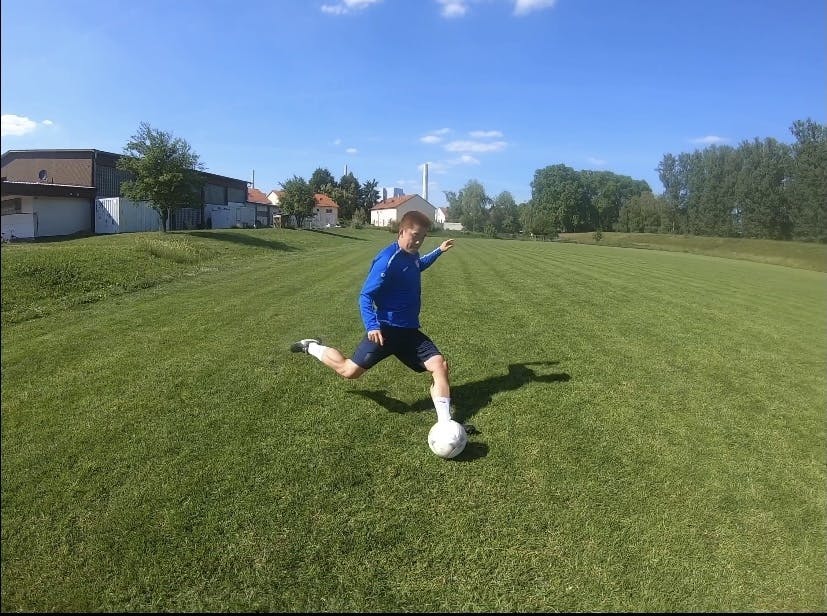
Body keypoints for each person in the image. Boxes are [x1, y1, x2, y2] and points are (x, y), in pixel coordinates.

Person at [290, 210, 461, 427]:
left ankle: (445, 424)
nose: (418, 241)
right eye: (415, 235)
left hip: (409, 332)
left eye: (423, 237)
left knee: (439, 365)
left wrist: (438, 251)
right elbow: (365, 296)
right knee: (349, 371)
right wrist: (372, 326)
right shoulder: (387, 259)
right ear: (402, 231)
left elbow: (418, 265)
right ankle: (312, 346)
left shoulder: (412, 255)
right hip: (385, 331)